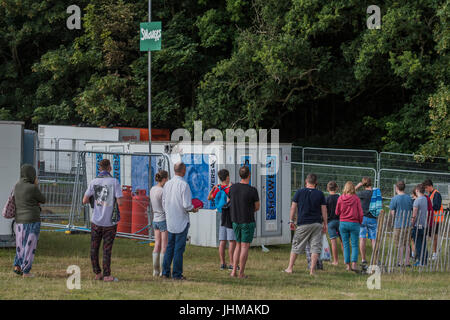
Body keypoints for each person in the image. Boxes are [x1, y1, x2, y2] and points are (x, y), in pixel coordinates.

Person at [82, 159, 123, 282]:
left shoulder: (94, 182)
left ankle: (97, 272)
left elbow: (84, 200)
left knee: (94, 248)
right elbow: (120, 202)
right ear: (110, 168)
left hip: (96, 221)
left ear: (99, 168)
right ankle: (107, 275)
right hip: (109, 222)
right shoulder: (114, 182)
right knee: (107, 249)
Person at [284, 173, 327, 276]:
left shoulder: (299, 192)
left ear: (306, 182)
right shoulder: (320, 194)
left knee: (296, 245)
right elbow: (324, 210)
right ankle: (312, 270)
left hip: (303, 223)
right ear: (316, 183)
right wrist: (325, 223)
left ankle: (290, 268)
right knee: (315, 247)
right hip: (317, 223)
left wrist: (291, 220)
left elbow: (293, 207)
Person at [161, 162, 199, 280]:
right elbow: (186, 205)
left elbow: (163, 202)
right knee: (178, 249)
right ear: (183, 171)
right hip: (181, 220)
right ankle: (177, 274)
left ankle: (165, 272)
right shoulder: (184, 185)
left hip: (170, 219)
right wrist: (193, 209)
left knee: (169, 247)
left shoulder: (167, 184)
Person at [13, 164, 46, 277]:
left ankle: (17, 265)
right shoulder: (32, 188)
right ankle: (26, 271)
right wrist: (36, 185)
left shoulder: (16, 186)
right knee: (29, 245)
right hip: (32, 220)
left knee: (20, 244)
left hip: (19, 221)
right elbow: (43, 199)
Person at [229, 166, 260, 279]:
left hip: (235, 220)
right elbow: (257, 207)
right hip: (247, 220)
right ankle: (241, 273)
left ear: (239, 175)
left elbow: (228, 201)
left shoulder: (233, 188)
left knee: (238, 245)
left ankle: (233, 271)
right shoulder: (252, 190)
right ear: (249, 175)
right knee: (245, 246)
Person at [207, 169, 237, 271]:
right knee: (232, 240)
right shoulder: (229, 188)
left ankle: (222, 263)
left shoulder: (218, 188)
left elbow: (209, 197)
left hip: (220, 213)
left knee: (222, 240)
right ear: (227, 177)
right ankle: (232, 263)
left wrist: (213, 188)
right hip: (229, 214)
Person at [335, 181, 364, 272]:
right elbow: (360, 213)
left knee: (345, 244)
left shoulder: (340, 198)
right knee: (355, 244)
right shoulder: (356, 199)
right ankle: (354, 264)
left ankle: (347, 265)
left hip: (343, 223)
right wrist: (360, 222)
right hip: (354, 223)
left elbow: (337, 212)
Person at [150, 170, 169, 277]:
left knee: (157, 243)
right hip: (163, 218)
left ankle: (155, 270)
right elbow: (165, 206)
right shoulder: (162, 191)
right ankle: (162, 270)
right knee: (164, 245)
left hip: (155, 218)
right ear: (165, 179)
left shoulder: (152, 189)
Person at [389, 181, 413, 266]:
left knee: (399, 244)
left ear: (397, 188)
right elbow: (411, 209)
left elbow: (392, 212)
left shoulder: (394, 199)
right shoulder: (409, 198)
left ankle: (400, 261)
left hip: (398, 224)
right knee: (407, 244)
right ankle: (407, 262)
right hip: (408, 224)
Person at [355, 177, 376, 265]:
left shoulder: (361, 193)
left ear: (363, 184)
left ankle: (363, 259)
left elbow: (350, 193)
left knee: (362, 238)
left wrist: (357, 186)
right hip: (373, 217)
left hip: (363, 217)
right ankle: (375, 258)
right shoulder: (375, 193)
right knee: (373, 239)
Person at [423, 179, 444, 260]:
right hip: (431, 219)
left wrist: (427, 208)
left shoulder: (436, 194)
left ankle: (435, 254)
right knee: (431, 237)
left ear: (430, 186)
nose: (425, 190)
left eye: (426, 188)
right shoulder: (430, 194)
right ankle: (432, 253)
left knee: (434, 237)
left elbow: (437, 206)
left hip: (436, 219)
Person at [411, 184, 429, 266]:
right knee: (424, 243)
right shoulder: (425, 199)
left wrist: (412, 224)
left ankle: (421, 261)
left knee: (418, 244)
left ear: (417, 191)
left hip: (417, 225)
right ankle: (425, 260)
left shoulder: (417, 201)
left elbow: (414, 215)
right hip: (424, 224)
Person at [326, 181, 341, 266]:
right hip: (340, 221)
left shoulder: (326, 199)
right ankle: (346, 260)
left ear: (328, 189)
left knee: (333, 241)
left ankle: (335, 261)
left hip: (330, 222)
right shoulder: (340, 198)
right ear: (337, 188)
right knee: (343, 241)